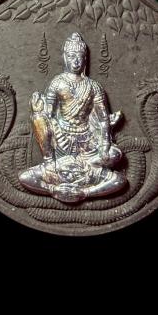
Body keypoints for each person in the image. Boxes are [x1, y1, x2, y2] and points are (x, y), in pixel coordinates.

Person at [19, 32, 127, 203]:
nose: (75, 61)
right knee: (38, 118)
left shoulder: (93, 86)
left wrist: (105, 145)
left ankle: (83, 189)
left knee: (114, 155)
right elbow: (48, 114)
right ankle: (51, 165)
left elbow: (103, 119)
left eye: (79, 56)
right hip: (60, 139)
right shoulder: (57, 82)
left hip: (87, 143)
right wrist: (38, 109)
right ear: (65, 58)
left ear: (85, 59)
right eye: (71, 56)